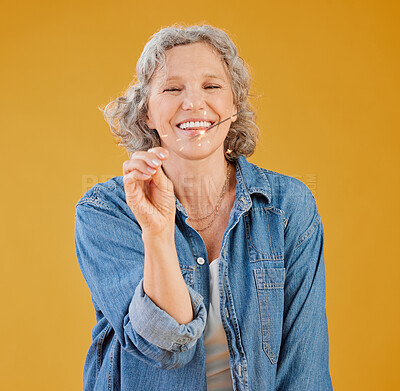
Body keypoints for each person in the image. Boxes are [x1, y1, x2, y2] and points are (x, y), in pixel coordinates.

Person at [74, 24, 333, 391]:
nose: (193, 103)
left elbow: (304, 370)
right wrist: (158, 230)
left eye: (211, 87)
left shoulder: (289, 207)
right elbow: (163, 346)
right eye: (172, 88)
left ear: (234, 105)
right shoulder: (105, 211)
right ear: (147, 112)